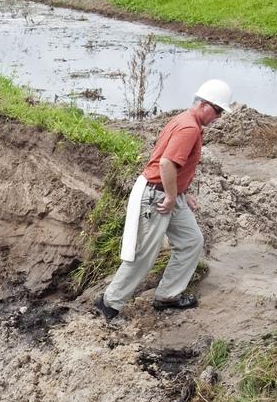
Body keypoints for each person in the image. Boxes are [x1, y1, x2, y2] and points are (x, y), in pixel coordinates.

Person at [94, 79, 232, 322]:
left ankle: (168, 295)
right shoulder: (189, 128)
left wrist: (181, 192)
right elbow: (167, 163)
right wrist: (170, 195)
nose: (218, 117)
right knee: (143, 254)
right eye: (218, 110)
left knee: (191, 241)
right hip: (157, 195)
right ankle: (109, 303)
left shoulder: (186, 121)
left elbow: (168, 162)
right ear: (203, 104)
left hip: (169, 192)